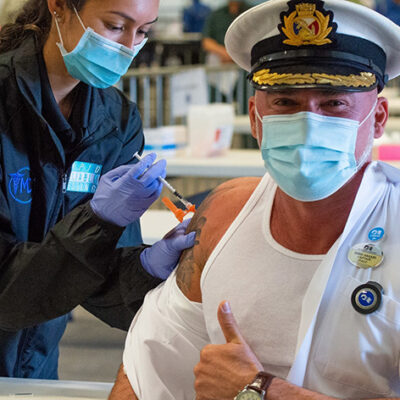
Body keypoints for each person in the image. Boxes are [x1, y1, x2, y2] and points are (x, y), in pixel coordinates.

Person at [110, 0, 400, 399]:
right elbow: (148, 367)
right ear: (254, 117)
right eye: (284, 102)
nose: (308, 121)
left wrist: (259, 390)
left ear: (379, 117)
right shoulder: (226, 215)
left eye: (334, 103)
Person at [0, 0, 195, 380]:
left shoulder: (116, 122)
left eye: (142, 32)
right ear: (59, 7)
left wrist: (144, 268)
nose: (127, 46)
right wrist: (97, 220)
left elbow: (91, 279)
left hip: (32, 367)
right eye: (114, 26)